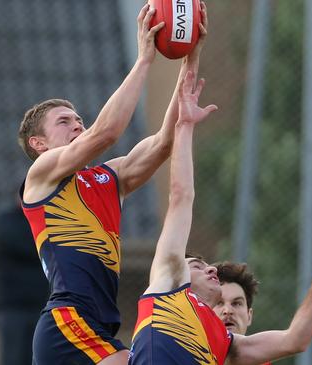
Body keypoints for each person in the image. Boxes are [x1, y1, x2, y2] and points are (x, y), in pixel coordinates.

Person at [128, 71, 312, 364]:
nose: (210, 269)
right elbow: (181, 197)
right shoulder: (167, 284)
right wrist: (185, 125)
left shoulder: (225, 342)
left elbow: (295, 339)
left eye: (207, 265)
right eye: (198, 265)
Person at [17, 3, 210, 364]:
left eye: (78, 118)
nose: (77, 124)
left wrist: (191, 57)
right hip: (68, 321)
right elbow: (106, 132)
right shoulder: (42, 175)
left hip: (99, 323)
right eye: (63, 121)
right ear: (38, 144)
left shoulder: (109, 178)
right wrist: (144, 59)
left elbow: (162, 143)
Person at [0, 202, 49, 365]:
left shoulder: (46, 219)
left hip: (40, 304)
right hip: (13, 305)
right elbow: (27, 246)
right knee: (13, 357)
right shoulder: (8, 221)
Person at [213, 262, 271, 365]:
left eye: (236, 303)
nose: (228, 311)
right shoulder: (185, 356)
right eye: (218, 302)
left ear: (249, 316)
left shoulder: (260, 362)